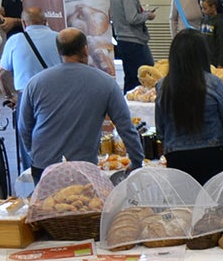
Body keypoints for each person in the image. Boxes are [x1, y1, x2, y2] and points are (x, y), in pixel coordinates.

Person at [17, 28, 144, 180]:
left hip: (44, 166)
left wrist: (35, 153)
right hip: (82, 167)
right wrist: (137, 161)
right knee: (81, 203)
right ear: (85, 49)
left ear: (59, 51)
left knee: (47, 203)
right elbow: (125, 127)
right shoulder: (106, 83)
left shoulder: (35, 83)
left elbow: (24, 126)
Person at [155, 28, 223, 184]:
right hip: (213, 152)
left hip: (177, 155)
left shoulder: (163, 86)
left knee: (184, 205)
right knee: (212, 202)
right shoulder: (214, 83)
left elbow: (160, 129)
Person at [0, 7, 59, 109]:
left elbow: (0, 76)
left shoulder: (14, 40)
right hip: (56, 97)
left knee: (25, 125)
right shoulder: (60, 38)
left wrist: (9, 96)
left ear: (23, 23)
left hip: (27, 97)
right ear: (46, 21)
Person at [108, 0, 156, 93]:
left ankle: (129, 108)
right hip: (134, 41)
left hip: (123, 40)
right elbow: (132, 18)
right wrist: (147, 15)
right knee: (145, 76)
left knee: (130, 78)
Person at [198, 0, 223, 67]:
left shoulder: (219, 22)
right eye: (201, 8)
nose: (202, 10)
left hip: (214, 60)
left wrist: (220, 63)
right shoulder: (203, 20)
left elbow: (222, 43)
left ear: (213, 7)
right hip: (204, 58)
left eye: (205, 8)